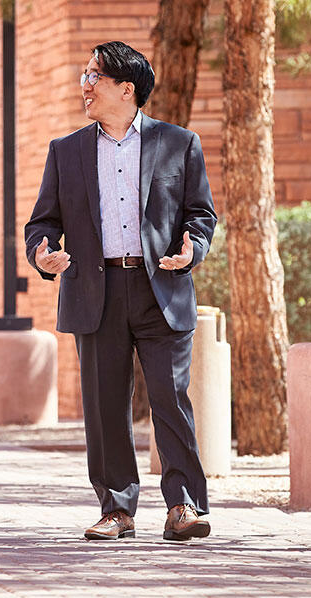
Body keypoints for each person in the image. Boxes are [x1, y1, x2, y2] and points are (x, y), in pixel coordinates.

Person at [24, 41, 216, 542]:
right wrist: (43, 255)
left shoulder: (179, 144)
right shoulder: (65, 152)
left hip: (161, 290)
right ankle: (117, 509)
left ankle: (184, 506)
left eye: (94, 76)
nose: (83, 84)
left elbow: (201, 215)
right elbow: (42, 222)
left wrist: (192, 249)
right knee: (105, 406)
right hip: (96, 290)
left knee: (170, 400)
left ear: (125, 88)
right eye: (84, 74)